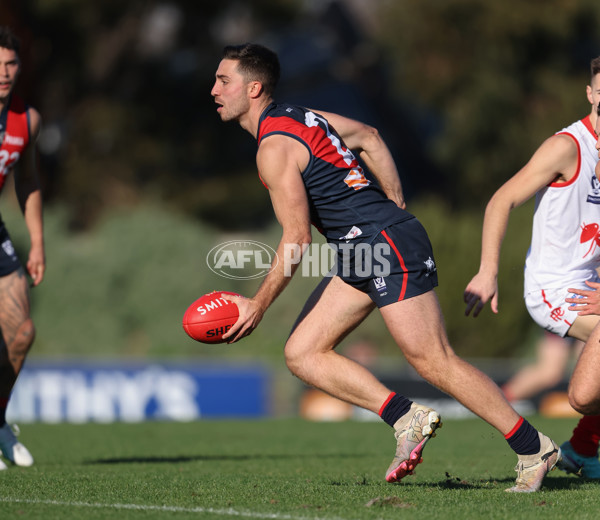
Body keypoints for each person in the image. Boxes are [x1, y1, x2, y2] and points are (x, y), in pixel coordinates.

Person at [211, 42, 560, 493]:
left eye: (224, 80)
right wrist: (394, 198)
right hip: (366, 246)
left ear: (253, 88)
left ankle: (535, 448)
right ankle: (406, 417)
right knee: (302, 353)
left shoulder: (273, 147)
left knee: (433, 361)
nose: (214, 89)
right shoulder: (301, 117)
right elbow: (369, 136)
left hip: (381, 242)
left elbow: (297, 238)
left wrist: (257, 306)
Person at [464, 57, 600, 479]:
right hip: (553, 289)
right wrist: (488, 272)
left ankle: (581, 448)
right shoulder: (567, 146)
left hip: (590, 286)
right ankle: (579, 444)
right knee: (581, 394)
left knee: (585, 391)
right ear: (591, 94)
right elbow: (501, 200)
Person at [0, 26, 45, 470]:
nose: (4, 73)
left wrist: (38, 243)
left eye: (11, 64)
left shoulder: (25, 119)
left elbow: (28, 180)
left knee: (22, 333)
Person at [501, 331, 583, 404]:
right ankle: (502, 399)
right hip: (565, 318)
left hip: (591, 320)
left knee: (588, 369)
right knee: (549, 373)